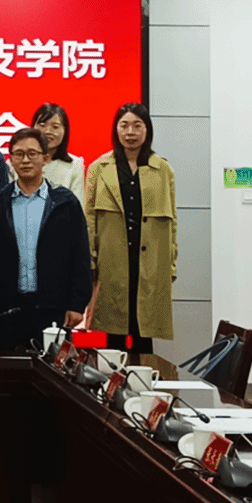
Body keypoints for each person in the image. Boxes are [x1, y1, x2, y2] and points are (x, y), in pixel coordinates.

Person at [0, 128, 92, 351]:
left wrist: (77, 304)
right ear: (11, 159)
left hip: (53, 309)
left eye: (32, 153)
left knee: (51, 369)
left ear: (46, 158)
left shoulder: (65, 203)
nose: (25, 160)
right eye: (19, 154)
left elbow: (80, 255)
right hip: (6, 310)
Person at [84, 103, 177, 354]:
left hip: (150, 264)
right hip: (112, 262)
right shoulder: (99, 168)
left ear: (148, 130)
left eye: (137, 125)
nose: (130, 132)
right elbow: (90, 218)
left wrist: (171, 264)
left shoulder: (162, 169)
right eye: (124, 125)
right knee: (112, 338)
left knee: (144, 336)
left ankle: (144, 378)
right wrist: (91, 259)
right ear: (116, 130)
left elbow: (172, 222)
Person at [30, 102, 85, 204]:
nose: (47, 131)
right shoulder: (17, 162)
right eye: (42, 125)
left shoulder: (74, 165)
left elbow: (77, 205)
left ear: (65, 131)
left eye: (55, 127)